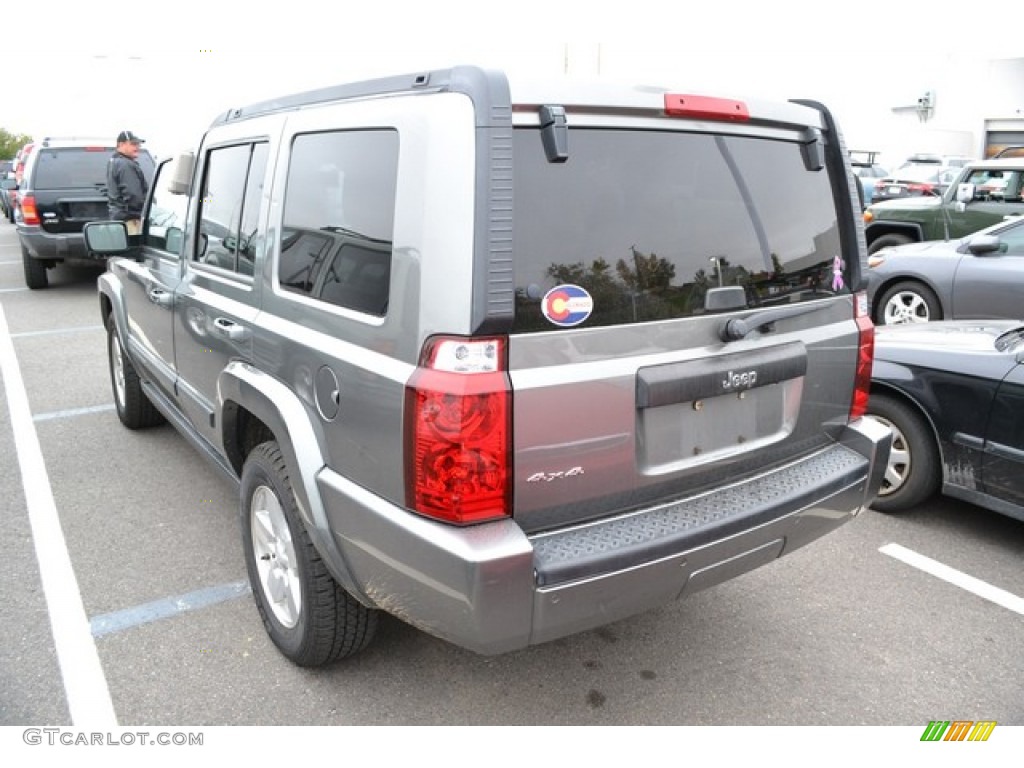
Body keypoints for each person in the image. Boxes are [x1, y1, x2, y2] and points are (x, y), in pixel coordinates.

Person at [107, 130, 148, 235]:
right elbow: (134, 195)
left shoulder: (114, 161)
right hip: (130, 221)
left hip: (120, 219)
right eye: (133, 144)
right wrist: (147, 210)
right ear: (121, 144)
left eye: (138, 144)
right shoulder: (125, 165)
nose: (137, 147)